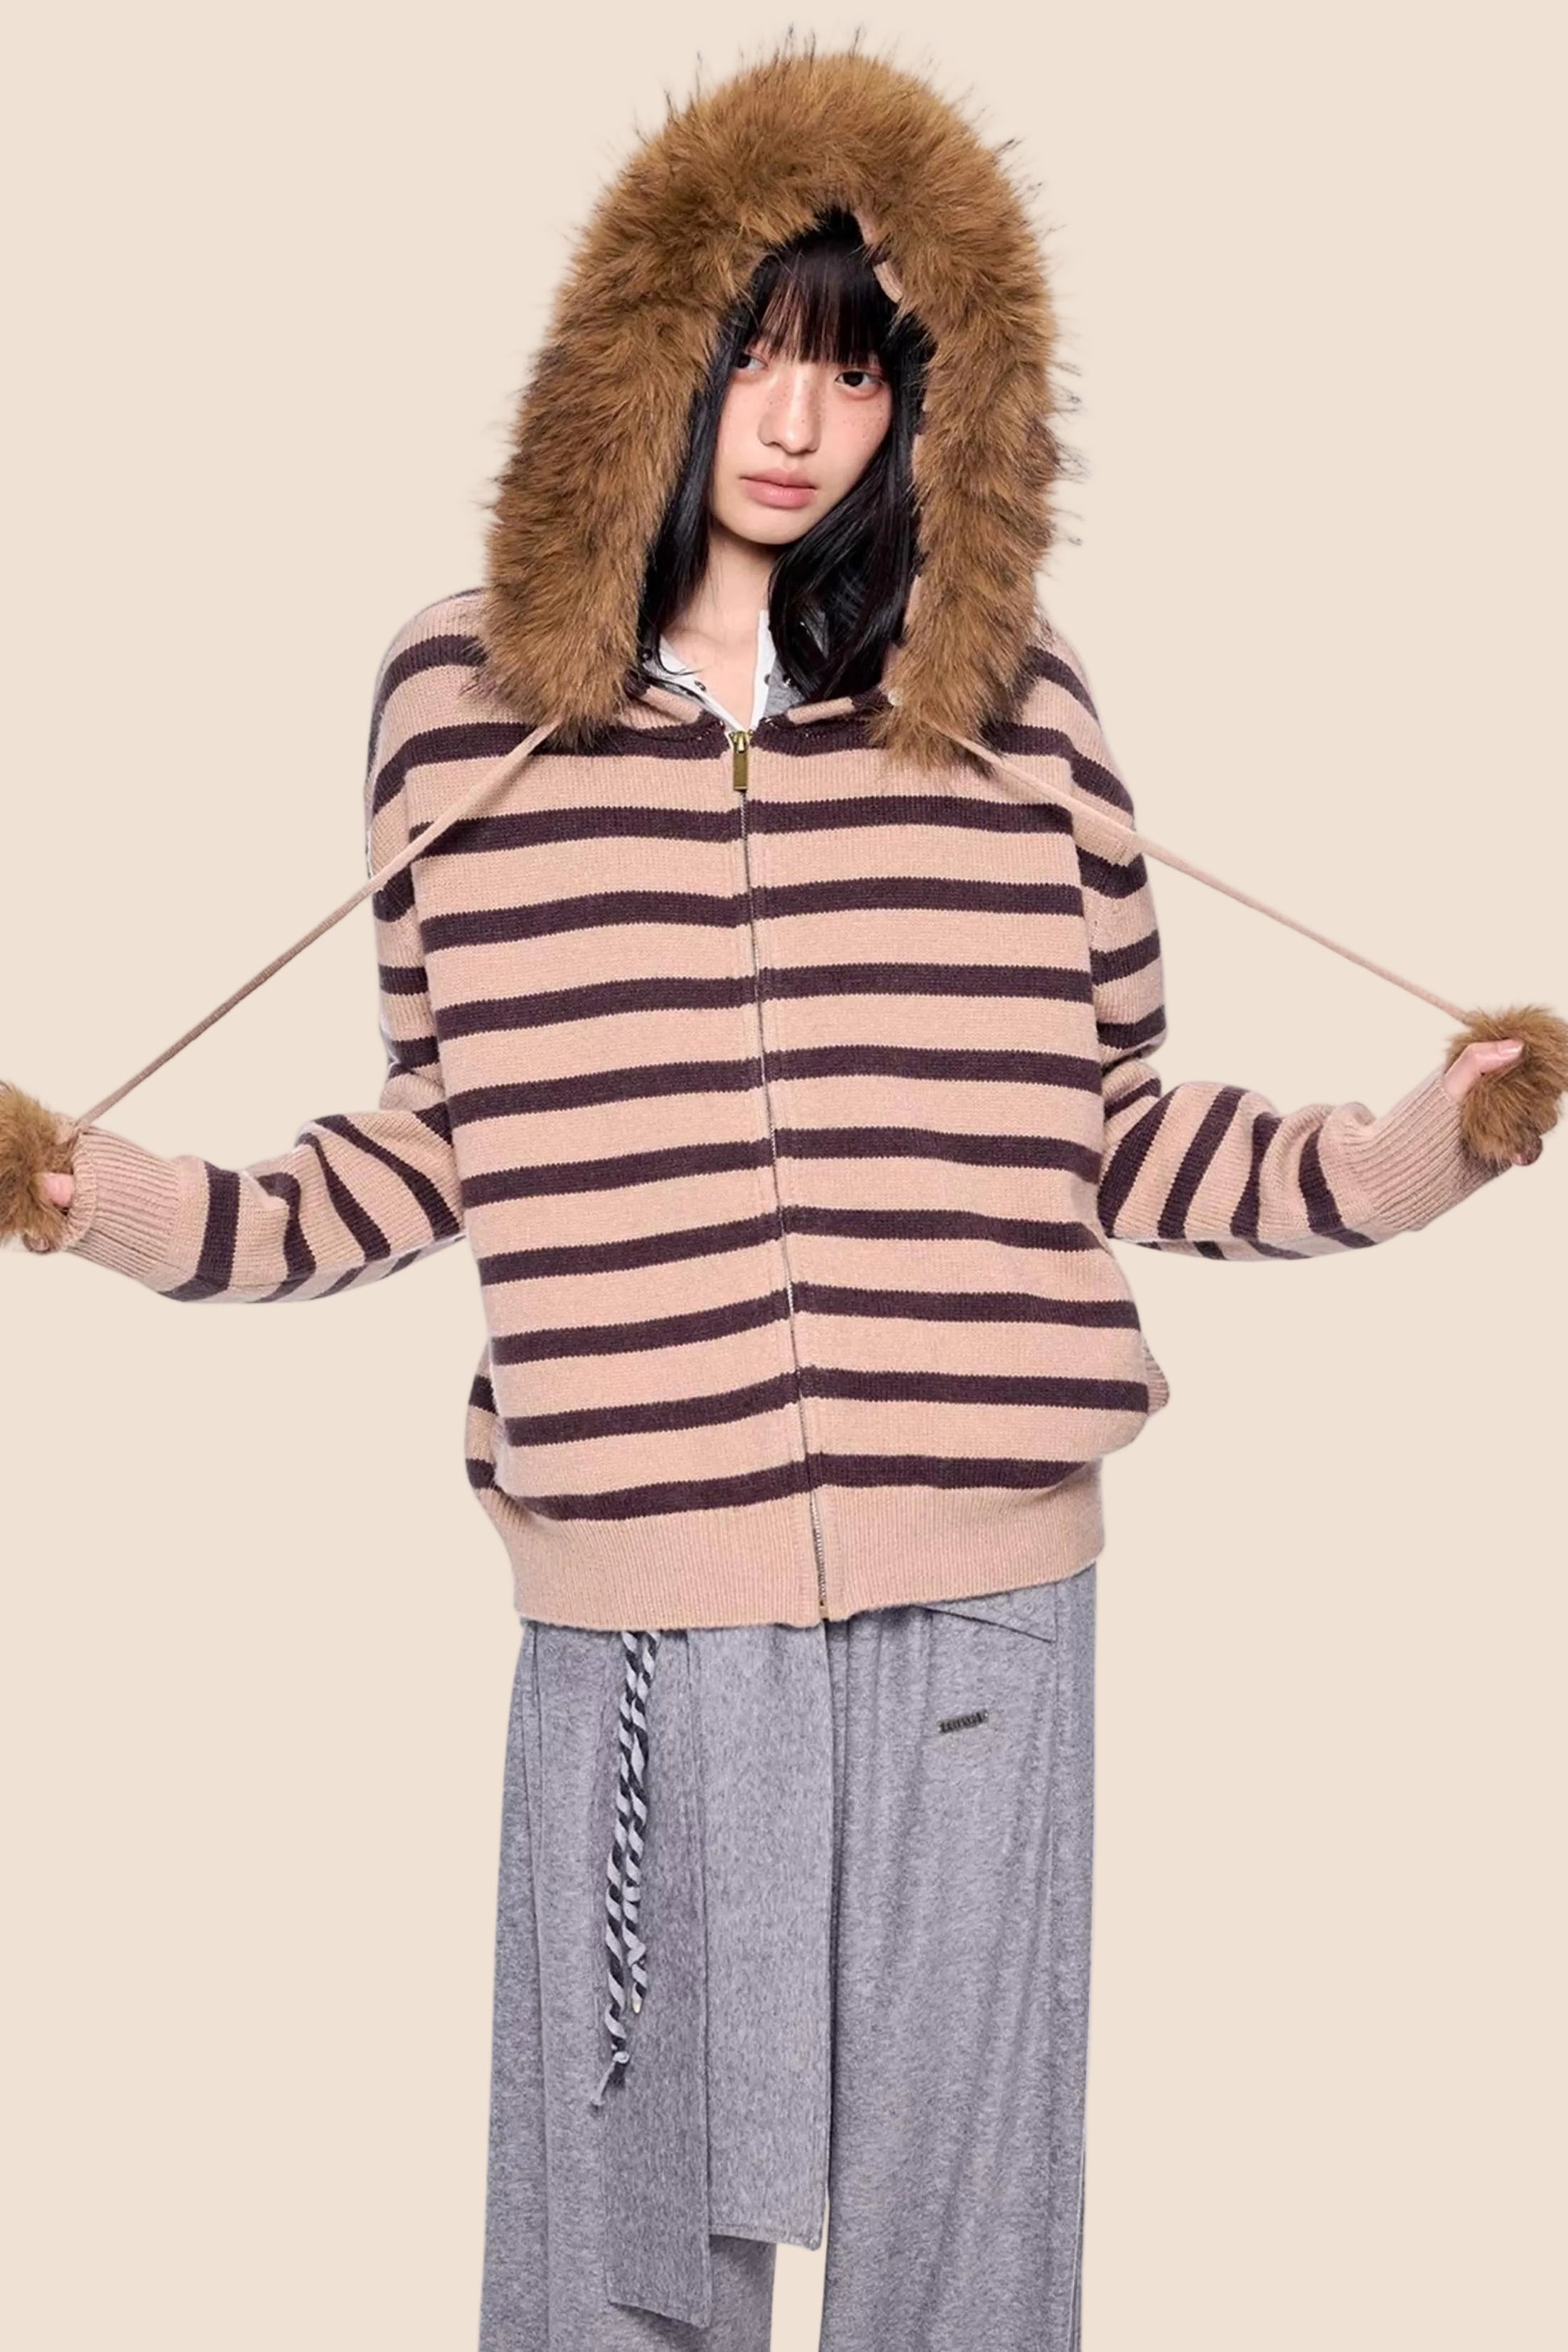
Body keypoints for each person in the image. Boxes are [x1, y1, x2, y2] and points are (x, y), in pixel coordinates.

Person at [6, 38, 1545, 2352]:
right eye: (751, 351)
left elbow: (1119, 1121)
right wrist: (96, 1194)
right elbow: (433, 1143)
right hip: (636, 1613)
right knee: (615, 2259)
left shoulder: (1015, 709)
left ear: (931, 409)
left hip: (985, 1612)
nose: (798, 422)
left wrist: (1430, 1141)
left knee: (963, 2252)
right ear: (645, 361)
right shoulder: (458, 712)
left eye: (857, 368)